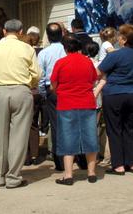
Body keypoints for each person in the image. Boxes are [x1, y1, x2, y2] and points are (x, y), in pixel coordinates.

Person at [0, 19, 40, 189]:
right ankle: (13, 176)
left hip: (0, 91)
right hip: (22, 91)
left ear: (4, 31)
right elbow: (36, 74)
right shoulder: (27, 49)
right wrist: (28, 83)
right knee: (19, 135)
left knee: (0, 134)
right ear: (21, 32)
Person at [51, 35, 99, 185]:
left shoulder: (61, 62)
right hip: (87, 102)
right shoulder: (87, 61)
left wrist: (60, 91)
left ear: (65, 48)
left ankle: (68, 175)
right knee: (90, 136)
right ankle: (91, 173)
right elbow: (93, 80)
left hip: (66, 103)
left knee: (67, 139)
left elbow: (53, 84)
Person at [97, 24, 133, 175]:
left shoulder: (115, 55)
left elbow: (99, 71)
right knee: (128, 129)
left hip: (114, 94)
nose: (117, 39)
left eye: (119, 36)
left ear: (124, 39)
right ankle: (132, 162)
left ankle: (118, 165)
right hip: (132, 94)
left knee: (114, 129)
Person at [37, 22, 66, 171]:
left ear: (48, 37)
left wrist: (43, 93)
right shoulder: (68, 50)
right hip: (69, 89)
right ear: (62, 34)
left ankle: (60, 162)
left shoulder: (43, 53)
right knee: (71, 123)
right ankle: (77, 157)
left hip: (52, 90)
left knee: (55, 126)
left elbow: (40, 76)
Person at [23, 26, 43, 166]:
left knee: (22, 124)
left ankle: (26, 156)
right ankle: (35, 155)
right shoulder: (41, 52)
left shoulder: (22, 54)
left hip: (24, 91)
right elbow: (38, 74)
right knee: (34, 124)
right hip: (36, 92)